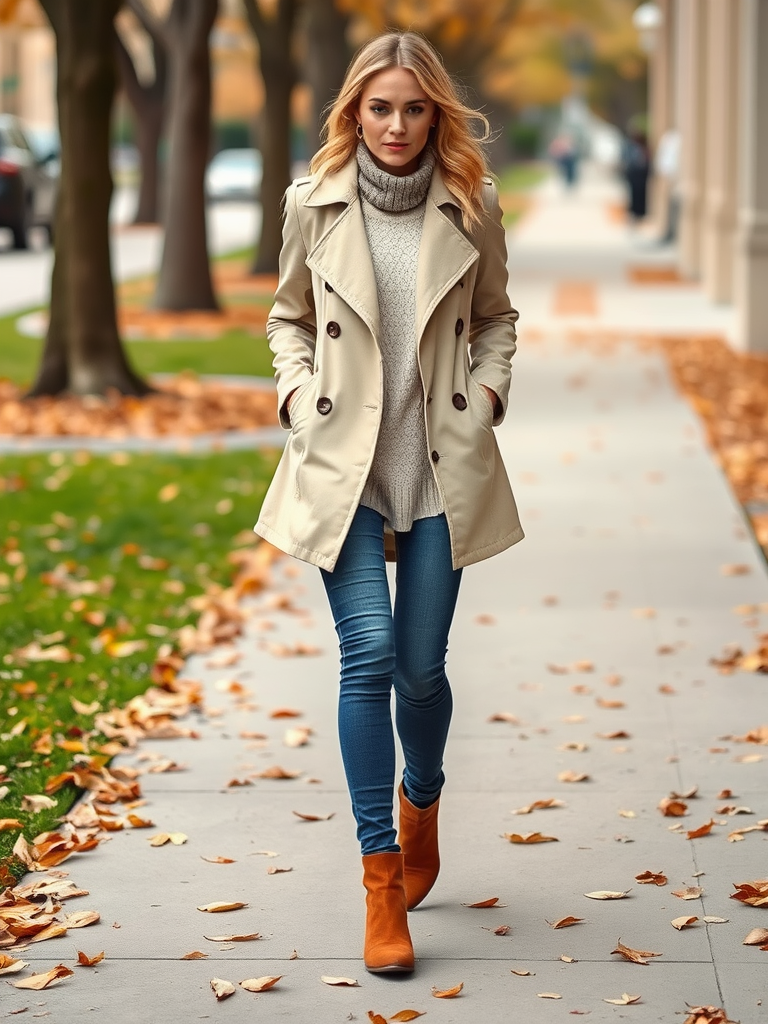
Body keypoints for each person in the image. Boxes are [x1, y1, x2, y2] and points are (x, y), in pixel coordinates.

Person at [254, 30, 523, 975]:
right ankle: (380, 881)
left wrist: (486, 393)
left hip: (438, 462)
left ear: (434, 111)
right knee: (366, 651)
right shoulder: (311, 204)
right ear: (354, 112)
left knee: (420, 670)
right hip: (347, 462)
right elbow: (288, 317)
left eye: (414, 108)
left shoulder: (472, 204)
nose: (398, 125)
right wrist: (294, 394)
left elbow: (496, 318)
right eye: (380, 108)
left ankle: (425, 798)